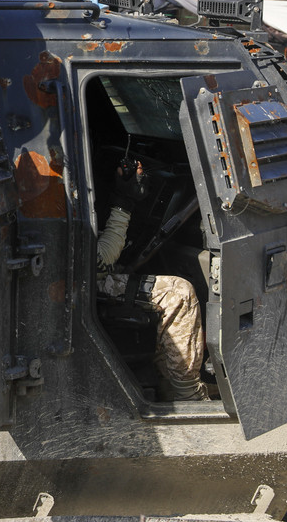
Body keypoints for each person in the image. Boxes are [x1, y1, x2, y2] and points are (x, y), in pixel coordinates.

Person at [97, 160, 209, 401]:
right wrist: (122, 203)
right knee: (179, 294)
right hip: (86, 283)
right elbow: (103, 258)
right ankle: (188, 394)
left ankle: (166, 380)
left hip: (78, 278)